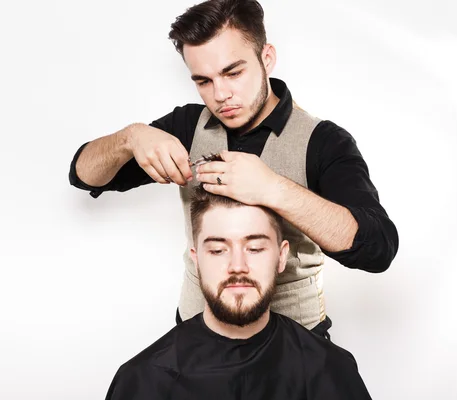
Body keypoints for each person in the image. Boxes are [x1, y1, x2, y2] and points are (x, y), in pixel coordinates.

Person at [69, 0, 399, 337]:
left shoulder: (324, 141)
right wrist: (130, 137)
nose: (221, 94)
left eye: (233, 72)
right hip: (196, 340)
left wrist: (273, 189)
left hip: (296, 348)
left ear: (266, 58)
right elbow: (83, 175)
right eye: (203, 81)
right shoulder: (186, 126)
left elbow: (378, 248)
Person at [104, 188, 372, 400]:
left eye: (255, 248)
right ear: (196, 260)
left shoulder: (329, 369)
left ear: (281, 257)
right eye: (218, 250)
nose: (237, 267)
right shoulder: (144, 380)